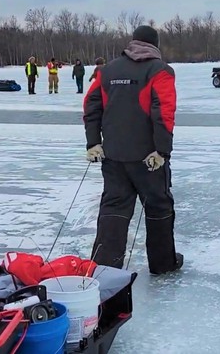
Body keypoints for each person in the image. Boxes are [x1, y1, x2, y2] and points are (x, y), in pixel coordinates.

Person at [83, 25, 183, 275]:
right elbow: (164, 112)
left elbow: (91, 106)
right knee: (159, 206)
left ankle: (105, 268)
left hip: (114, 155)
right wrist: (162, 151)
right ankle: (163, 264)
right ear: (155, 45)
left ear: (133, 43)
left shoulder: (107, 71)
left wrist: (93, 142)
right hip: (148, 158)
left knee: (114, 208)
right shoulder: (160, 70)